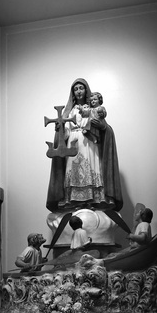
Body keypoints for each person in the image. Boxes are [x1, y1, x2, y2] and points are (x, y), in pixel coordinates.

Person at [46, 78, 123, 213]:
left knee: (92, 167)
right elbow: (64, 132)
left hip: (90, 143)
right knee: (74, 169)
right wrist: (61, 130)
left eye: (81, 88)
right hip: (74, 142)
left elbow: (105, 128)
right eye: (75, 89)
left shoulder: (94, 108)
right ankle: (73, 200)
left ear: (86, 90)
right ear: (73, 93)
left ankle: (93, 199)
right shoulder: (69, 112)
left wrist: (103, 126)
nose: (78, 91)